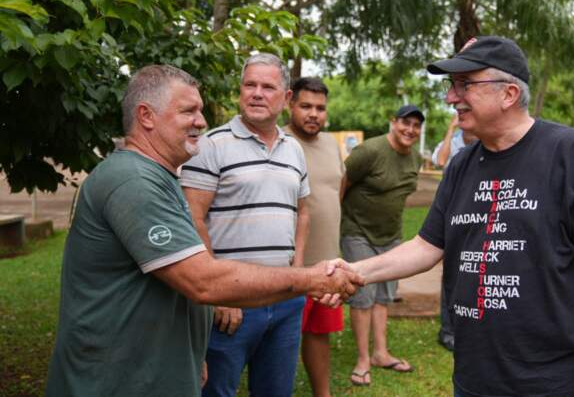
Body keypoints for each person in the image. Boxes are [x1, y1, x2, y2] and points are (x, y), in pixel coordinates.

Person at [331, 36, 574, 396]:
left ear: (508, 94)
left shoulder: (569, 152)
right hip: (475, 377)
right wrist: (356, 271)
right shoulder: (462, 165)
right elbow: (426, 246)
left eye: (464, 85)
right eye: (451, 86)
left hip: (552, 380)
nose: (450, 98)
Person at [45, 65, 362, 397]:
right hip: (115, 382)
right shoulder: (133, 181)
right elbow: (202, 280)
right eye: (189, 111)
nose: (201, 121)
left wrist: (191, 355)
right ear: (146, 116)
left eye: (199, 110)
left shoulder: (161, 178)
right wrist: (312, 279)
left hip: (154, 371)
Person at [179, 54, 311, 397]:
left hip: (285, 302)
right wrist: (219, 293)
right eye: (249, 85)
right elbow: (192, 218)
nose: (256, 93)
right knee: (216, 392)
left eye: (268, 87)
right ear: (239, 92)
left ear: (286, 99)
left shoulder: (294, 149)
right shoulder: (210, 145)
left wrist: (296, 274)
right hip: (231, 304)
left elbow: (304, 213)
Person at [341, 104, 424, 386]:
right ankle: (363, 359)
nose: (410, 130)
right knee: (362, 296)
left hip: (391, 235)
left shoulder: (416, 158)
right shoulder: (370, 151)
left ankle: (381, 353)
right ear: (393, 122)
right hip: (358, 231)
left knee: (384, 297)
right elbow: (343, 183)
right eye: (405, 123)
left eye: (416, 125)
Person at [284, 77, 346, 397]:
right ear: (290, 103)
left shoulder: (331, 145)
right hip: (287, 266)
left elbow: (339, 188)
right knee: (278, 338)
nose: (314, 114)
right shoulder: (278, 141)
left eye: (320, 108)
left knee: (319, 333)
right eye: (306, 106)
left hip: (327, 263)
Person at [431, 114, 477, 352]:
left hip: (477, 213)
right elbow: (440, 160)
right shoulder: (455, 142)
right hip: (453, 213)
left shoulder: (484, 142)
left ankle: (470, 326)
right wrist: (450, 130)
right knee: (451, 271)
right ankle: (447, 329)